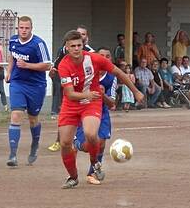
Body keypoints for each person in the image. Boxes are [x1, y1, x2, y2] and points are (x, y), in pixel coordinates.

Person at [57, 30, 143, 188]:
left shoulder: (95, 59)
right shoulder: (63, 65)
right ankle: (73, 176)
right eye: (73, 46)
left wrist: (136, 91)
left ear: (83, 45)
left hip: (91, 102)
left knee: (91, 134)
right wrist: (86, 94)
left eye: (79, 45)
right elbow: (69, 94)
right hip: (71, 105)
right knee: (65, 143)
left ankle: (95, 163)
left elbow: (118, 72)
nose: (76, 48)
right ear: (67, 48)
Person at [6, 15, 51, 167]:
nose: (23, 30)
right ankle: (13, 155)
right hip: (17, 83)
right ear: (17, 28)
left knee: (33, 118)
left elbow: (47, 65)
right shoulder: (12, 40)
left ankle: (35, 144)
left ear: (31, 29)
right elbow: (11, 57)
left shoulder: (38, 44)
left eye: (27, 28)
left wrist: (27, 65)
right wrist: (9, 72)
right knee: (16, 114)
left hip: (36, 86)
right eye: (21, 28)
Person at [73, 47, 117, 183]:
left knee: (101, 143)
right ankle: (76, 144)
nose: (104, 58)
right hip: (84, 111)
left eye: (107, 56)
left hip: (102, 112)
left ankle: (91, 173)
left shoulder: (111, 78)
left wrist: (102, 95)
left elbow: (112, 104)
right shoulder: (85, 73)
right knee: (87, 146)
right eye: (101, 55)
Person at [47, 25, 94, 151]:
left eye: (83, 34)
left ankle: (84, 140)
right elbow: (56, 66)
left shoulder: (91, 52)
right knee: (65, 112)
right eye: (79, 34)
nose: (80, 37)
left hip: (85, 87)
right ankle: (60, 140)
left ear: (86, 38)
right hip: (69, 84)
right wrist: (53, 73)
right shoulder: (64, 50)